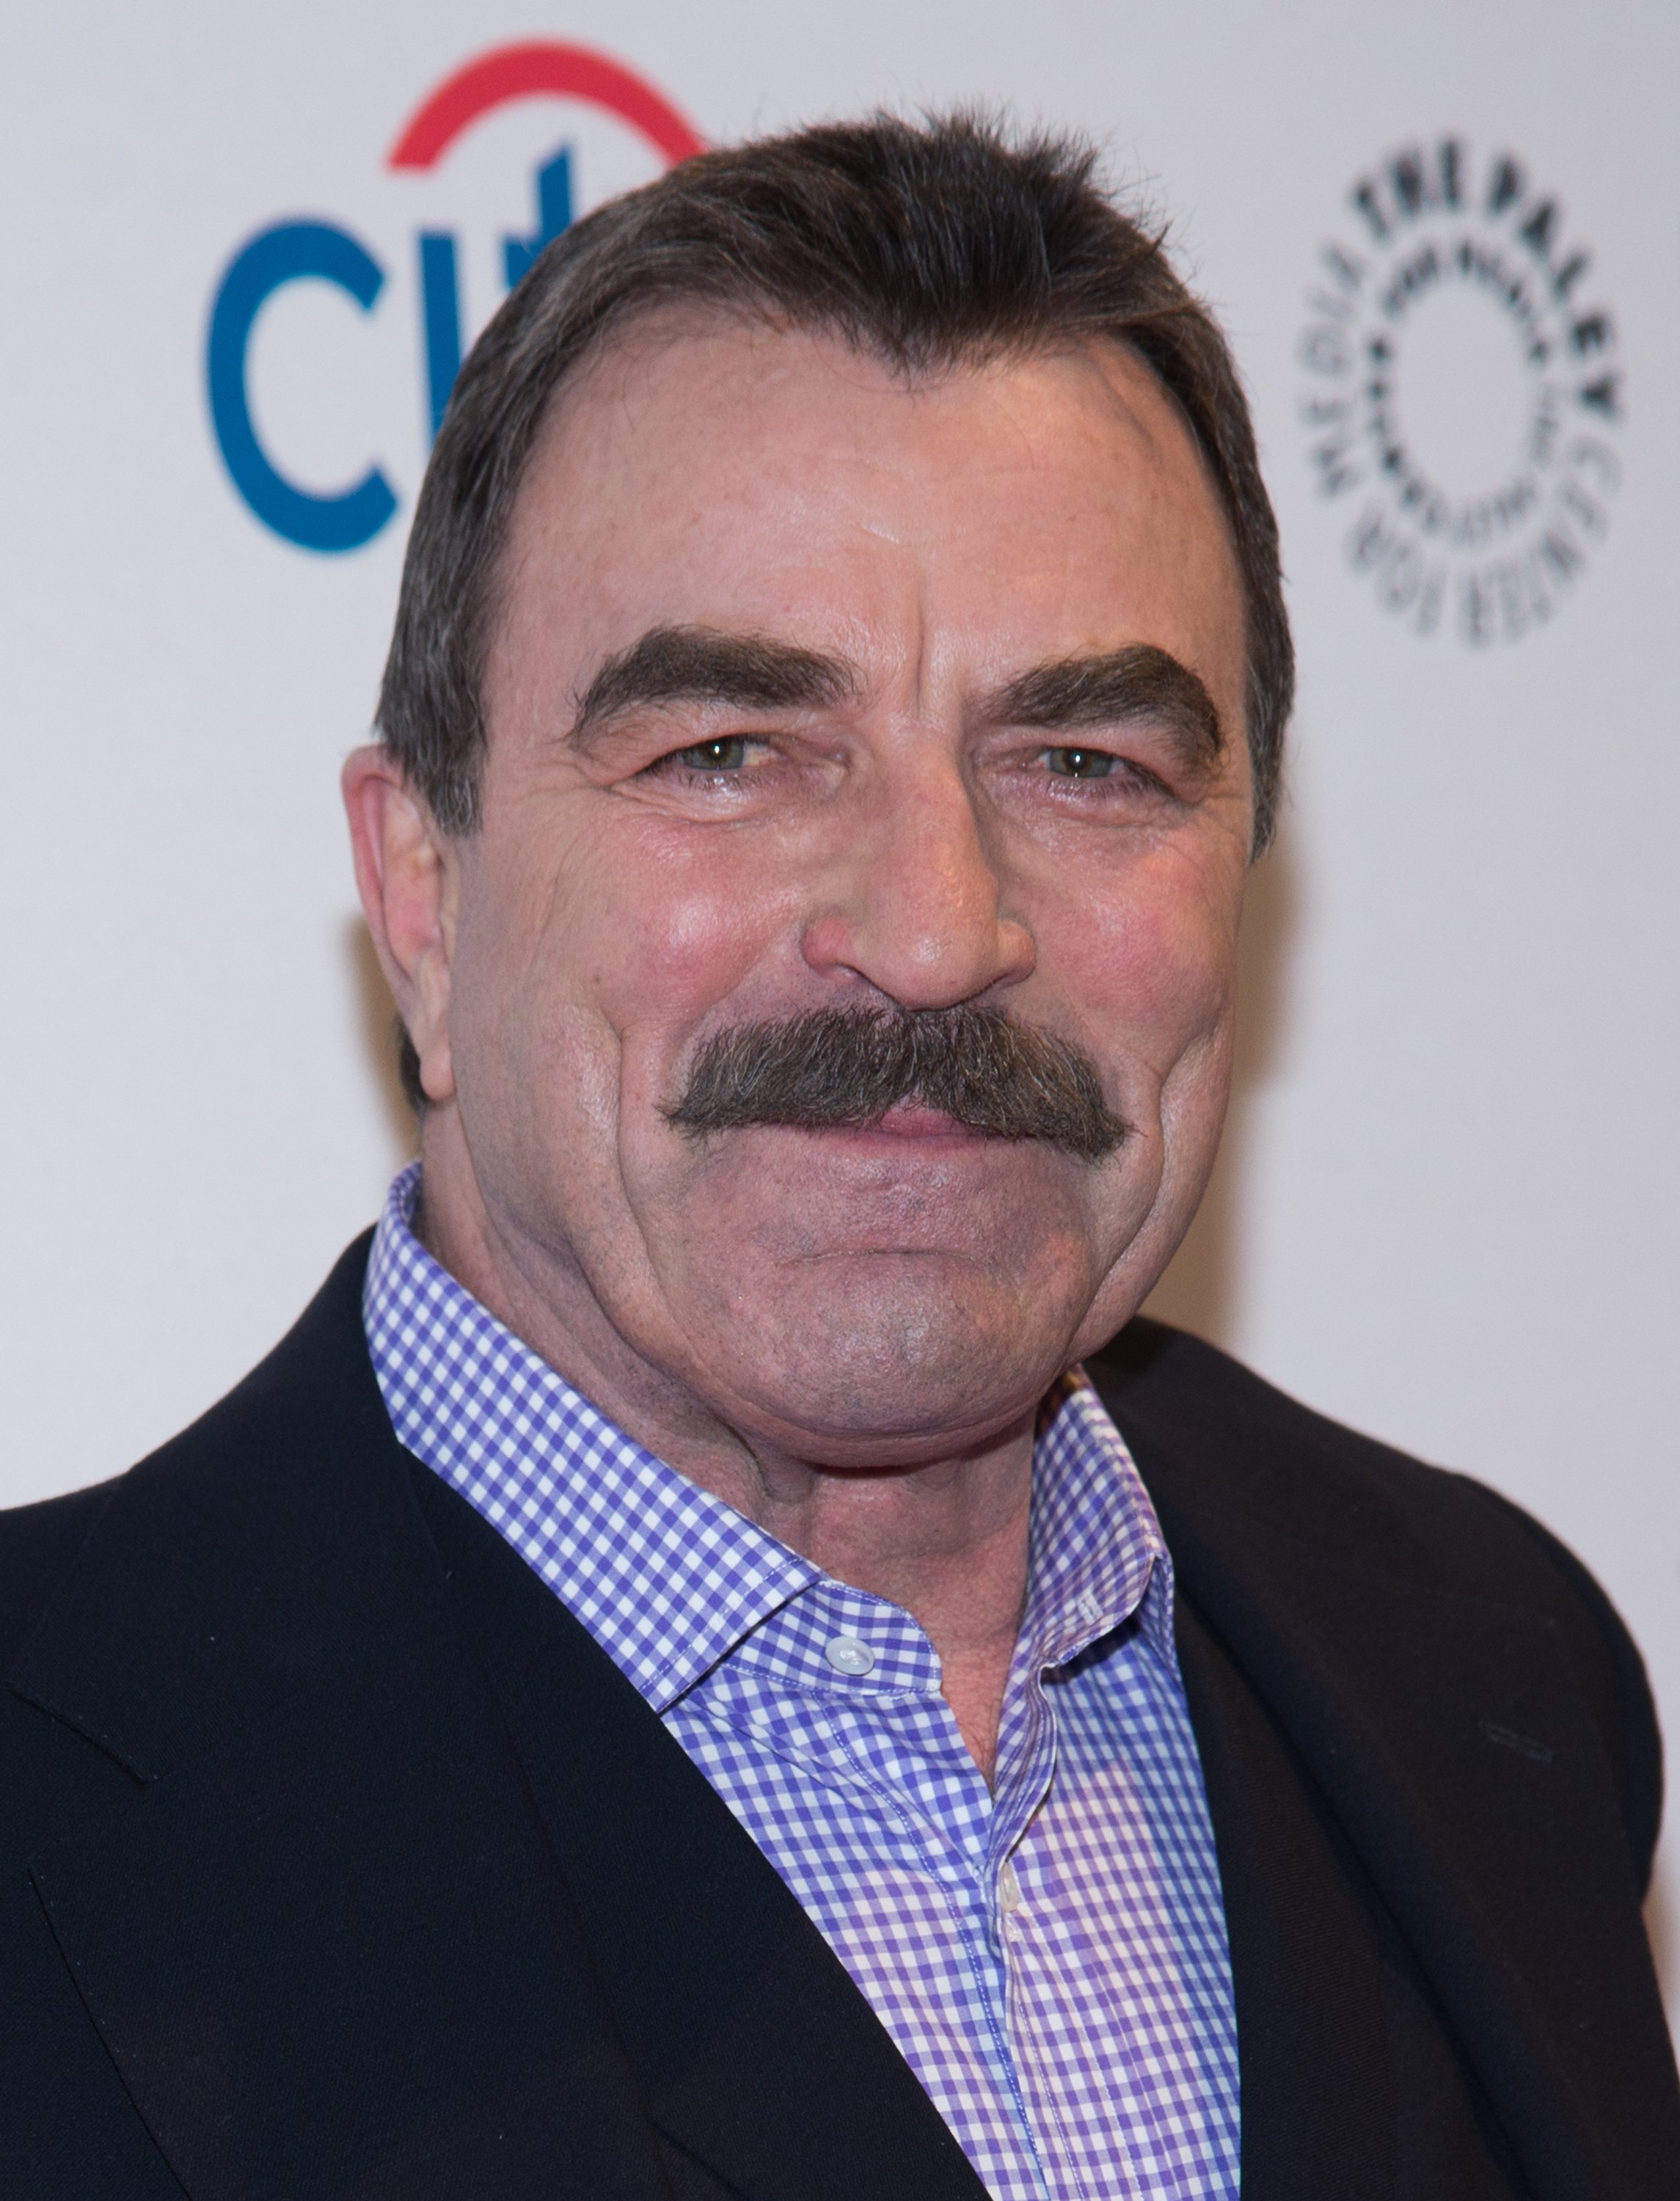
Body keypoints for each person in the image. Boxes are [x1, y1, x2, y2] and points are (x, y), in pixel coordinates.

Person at [2, 113, 1675, 2201]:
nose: (930, 923)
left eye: (1083, 762)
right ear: (422, 893)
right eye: (730, 754)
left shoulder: (1492, 1676)